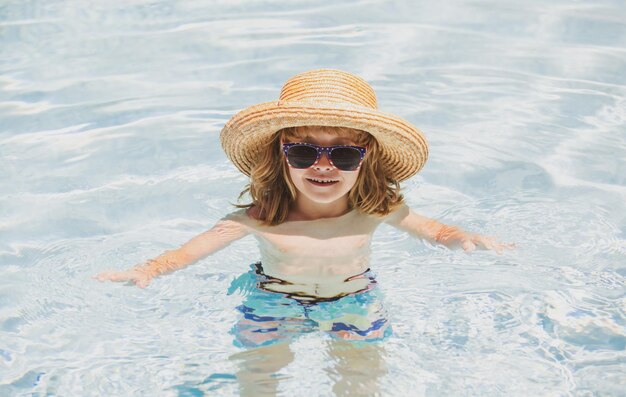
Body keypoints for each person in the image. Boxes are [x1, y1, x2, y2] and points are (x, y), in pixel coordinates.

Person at [94, 69, 513, 346]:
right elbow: (188, 252)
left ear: (366, 159)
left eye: (344, 155)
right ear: (280, 156)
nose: (323, 166)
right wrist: (146, 270)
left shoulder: (376, 208)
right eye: (303, 153)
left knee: (362, 380)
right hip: (273, 301)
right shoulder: (260, 218)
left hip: (353, 298)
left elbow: (435, 232)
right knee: (257, 378)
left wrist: (463, 238)